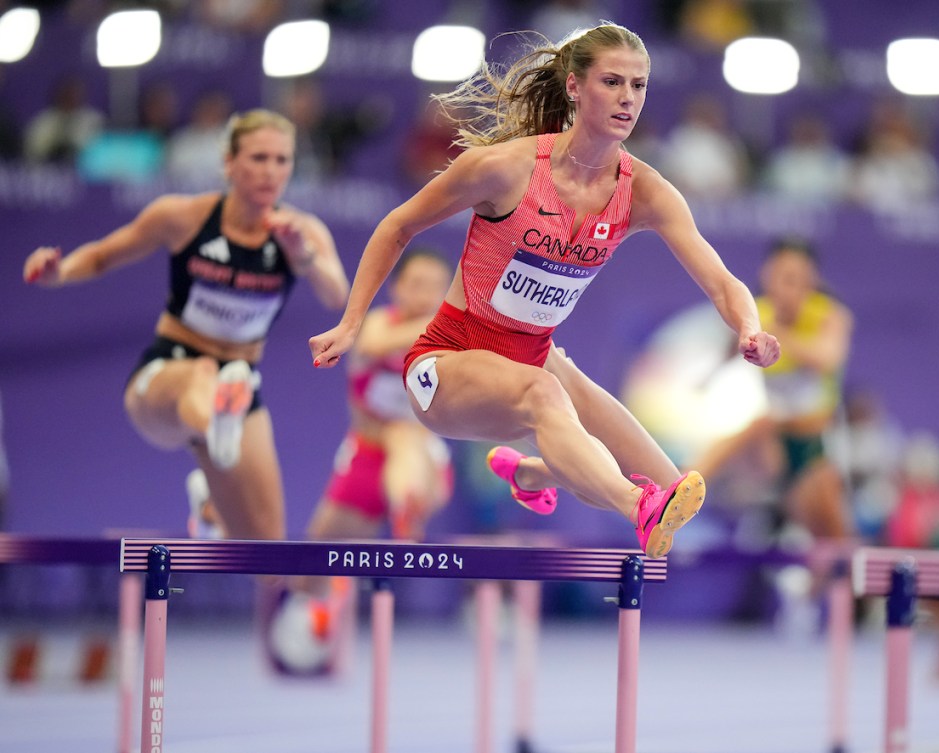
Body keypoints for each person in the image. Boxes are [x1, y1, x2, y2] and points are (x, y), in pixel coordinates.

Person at [308, 23, 780, 560]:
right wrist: (351, 322)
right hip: (445, 364)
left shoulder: (645, 191)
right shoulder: (503, 168)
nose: (628, 98)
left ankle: (532, 472)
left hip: (532, 361)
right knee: (558, 405)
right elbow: (398, 226)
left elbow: (721, 279)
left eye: (640, 85)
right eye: (613, 82)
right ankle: (634, 508)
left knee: (674, 487)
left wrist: (749, 327)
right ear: (575, 87)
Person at [23, 109, 349, 542]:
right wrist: (58, 272)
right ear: (229, 163)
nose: (271, 172)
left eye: (282, 160)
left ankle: (211, 505)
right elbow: (102, 255)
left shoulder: (302, 231)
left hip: (240, 384)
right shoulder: (183, 216)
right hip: (168, 376)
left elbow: (336, 296)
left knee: (268, 545)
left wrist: (301, 254)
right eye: (258, 158)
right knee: (203, 374)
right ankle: (214, 428)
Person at [268, 248, 456, 676]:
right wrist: (443, 320)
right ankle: (308, 621)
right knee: (314, 562)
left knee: (405, 435)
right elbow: (372, 345)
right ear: (397, 288)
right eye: (417, 284)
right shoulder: (378, 323)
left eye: (436, 286)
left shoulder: (452, 342)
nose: (427, 293)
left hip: (422, 461)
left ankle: (406, 508)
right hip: (365, 457)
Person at [693, 237, 853, 544]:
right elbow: (731, 348)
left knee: (830, 533)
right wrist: (709, 377)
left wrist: (778, 337)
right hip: (775, 445)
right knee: (759, 424)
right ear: (768, 277)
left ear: (811, 281)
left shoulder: (829, 316)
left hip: (816, 445)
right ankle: (684, 482)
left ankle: (841, 580)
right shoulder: (755, 315)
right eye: (784, 279)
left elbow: (829, 356)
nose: (790, 290)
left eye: (799, 281)